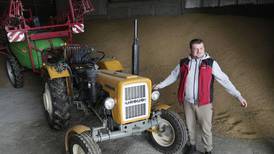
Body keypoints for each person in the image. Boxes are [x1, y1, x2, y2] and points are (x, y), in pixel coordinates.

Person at [154, 39, 247, 154]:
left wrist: (238, 96)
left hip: (204, 104)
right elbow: (173, 76)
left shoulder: (211, 63)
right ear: (191, 50)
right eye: (195, 49)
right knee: (190, 127)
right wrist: (159, 86)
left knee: (206, 130)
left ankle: (208, 151)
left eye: (201, 48)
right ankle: (192, 147)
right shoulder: (184, 63)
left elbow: (225, 81)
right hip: (188, 102)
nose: (199, 51)